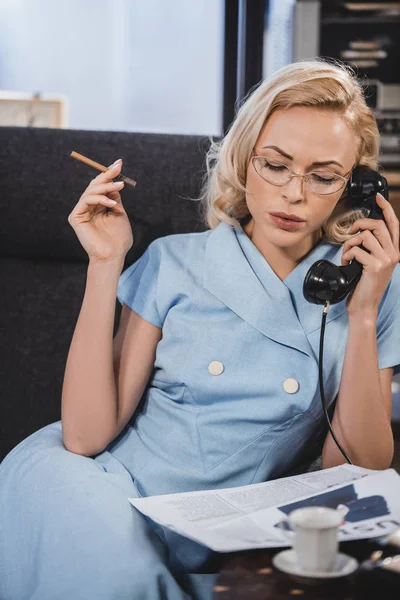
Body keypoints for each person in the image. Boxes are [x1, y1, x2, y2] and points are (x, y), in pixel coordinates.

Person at [0, 58, 399, 600]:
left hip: (225, 527)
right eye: (275, 165)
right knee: (124, 581)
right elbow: (84, 436)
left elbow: (358, 466)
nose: (294, 193)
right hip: (101, 490)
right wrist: (105, 263)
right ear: (243, 160)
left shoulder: (368, 287)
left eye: (324, 176)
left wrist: (363, 313)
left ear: (355, 187)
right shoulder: (171, 262)